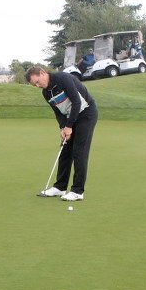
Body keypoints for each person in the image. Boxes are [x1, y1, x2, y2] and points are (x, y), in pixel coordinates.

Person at [25, 66, 98, 201]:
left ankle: (77, 191)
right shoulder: (46, 93)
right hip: (71, 117)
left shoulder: (63, 79)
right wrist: (62, 127)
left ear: (42, 73)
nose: (37, 86)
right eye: (34, 84)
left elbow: (76, 101)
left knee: (79, 151)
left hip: (86, 113)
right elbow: (58, 112)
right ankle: (60, 187)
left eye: (37, 82)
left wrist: (69, 126)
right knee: (65, 150)